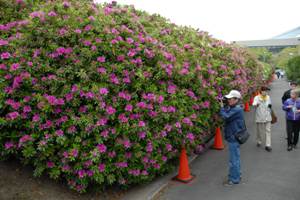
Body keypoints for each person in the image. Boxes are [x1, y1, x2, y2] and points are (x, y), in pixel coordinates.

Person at [219, 90, 245, 186]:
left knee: (233, 160)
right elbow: (228, 111)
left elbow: (226, 116)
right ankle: (237, 175)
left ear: (236, 99)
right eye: (228, 98)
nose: (228, 100)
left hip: (234, 137)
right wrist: (225, 104)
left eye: (230, 98)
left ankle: (234, 179)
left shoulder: (237, 109)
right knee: (236, 158)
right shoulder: (235, 107)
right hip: (235, 136)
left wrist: (221, 108)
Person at [252, 86, 272, 152]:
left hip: (267, 116)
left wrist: (270, 109)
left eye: (267, 91)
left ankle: (268, 145)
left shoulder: (268, 97)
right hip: (260, 116)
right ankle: (259, 141)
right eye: (265, 91)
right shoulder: (257, 97)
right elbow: (254, 104)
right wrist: (256, 104)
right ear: (261, 91)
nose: (266, 92)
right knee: (259, 131)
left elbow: (269, 105)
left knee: (268, 131)